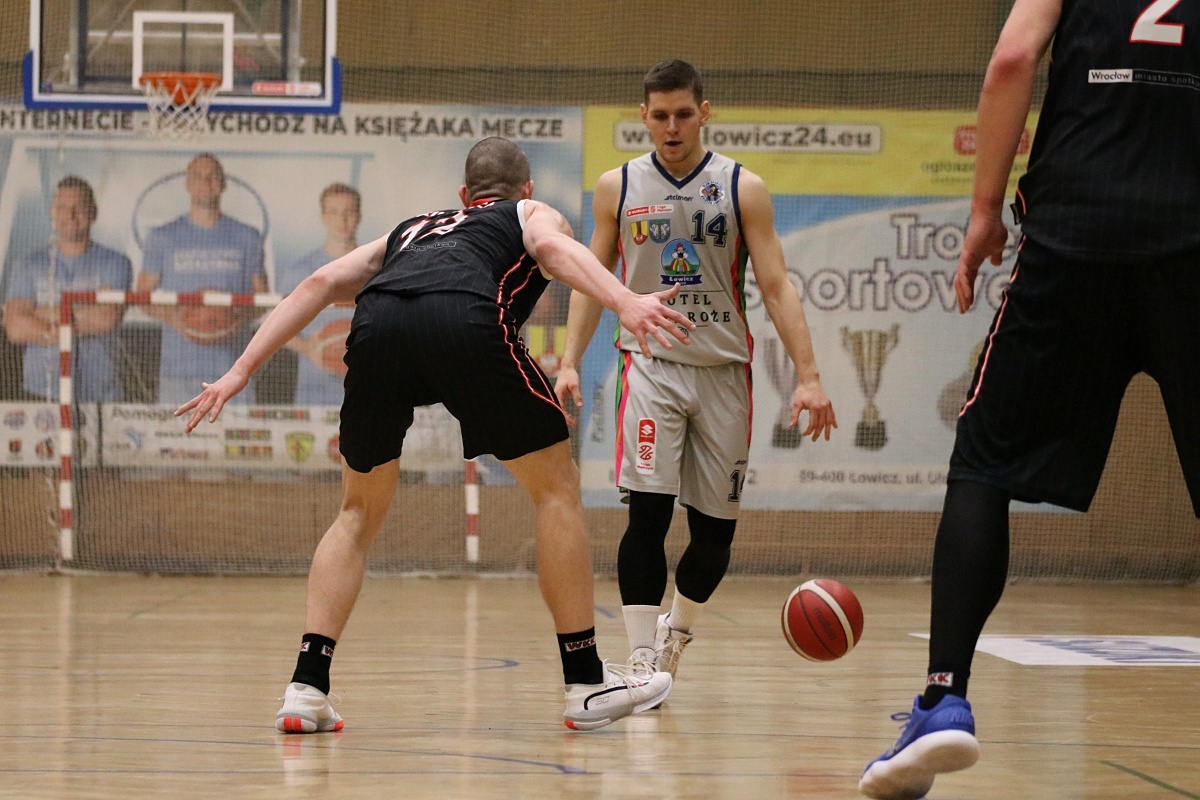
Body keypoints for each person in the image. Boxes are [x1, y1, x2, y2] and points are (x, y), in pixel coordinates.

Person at [176, 137, 694, 732]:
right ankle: (584, 681)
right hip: (465, 319)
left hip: (378, 326)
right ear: (525, 189)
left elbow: (319, 282)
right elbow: (552, 248)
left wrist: (240, 370)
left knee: (355, 513)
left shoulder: (410, 229)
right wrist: (625, 299)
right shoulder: (527, 212)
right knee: (556, 489)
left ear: (464, 195)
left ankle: (306, 688)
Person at [859, 1, 1200, 797]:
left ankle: (943, 698)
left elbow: (1012, 61)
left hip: (1076, 234)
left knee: (984, 465)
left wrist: (984, 210)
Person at [554, 60, 837, 687]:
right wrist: (569, 361)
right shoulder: (617, 187)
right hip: (650, 367)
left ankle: (675, 631)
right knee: (647, 517)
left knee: (714, 538)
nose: (672, 127)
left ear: (704, 113)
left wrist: (809, 375)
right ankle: (640, 661)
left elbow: (776, 286)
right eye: (660, 116)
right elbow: (590, 280)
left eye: (684, 114)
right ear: (643, 117)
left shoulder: (742, 188)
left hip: (723, 373)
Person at [137, 153, 267, 405]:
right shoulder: (162, 237)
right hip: (178, 371)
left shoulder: (248, 236)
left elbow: (263, 299)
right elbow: (142, 298)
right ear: (187, 184)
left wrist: (235, 318)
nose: (206, 182)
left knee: (238, 432)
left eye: (213, 176)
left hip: (234, 372)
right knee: (178, 432)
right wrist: (175, 318)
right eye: (198, 176)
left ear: (223, 184)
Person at [3, 176, 131, 401]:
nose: (70, 215)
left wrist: (37, 314)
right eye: (62, 207)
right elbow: (15, 328)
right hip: (43, 391)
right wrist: (83, 315)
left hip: (101, 393)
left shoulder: (115, 262)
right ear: (52, 212)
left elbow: (107, 318)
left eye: (78, 207)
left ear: (93, 212)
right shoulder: (27, 264)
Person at [276, 183, 361, 404]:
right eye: (334, 212)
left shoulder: (377, 269)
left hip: (366, 392)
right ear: (323, 217)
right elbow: (276, 328)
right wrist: (308, 349)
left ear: (359, 216)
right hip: (314, 395)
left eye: (349, 212)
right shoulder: (300, 272)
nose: (342, 220)